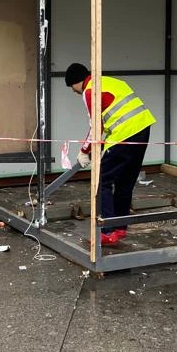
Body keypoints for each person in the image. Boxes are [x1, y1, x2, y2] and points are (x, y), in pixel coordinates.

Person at [65, 63, 156, 246]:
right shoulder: (110, 82)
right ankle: (120, 228)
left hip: (124, 135)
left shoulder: (89, 92)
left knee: (102, 181)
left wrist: (84, 151)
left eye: (71, 87)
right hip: (143, 130)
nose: (73, 91)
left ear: (76, 82)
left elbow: (96, 127)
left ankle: (107, 230)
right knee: (125, 182)